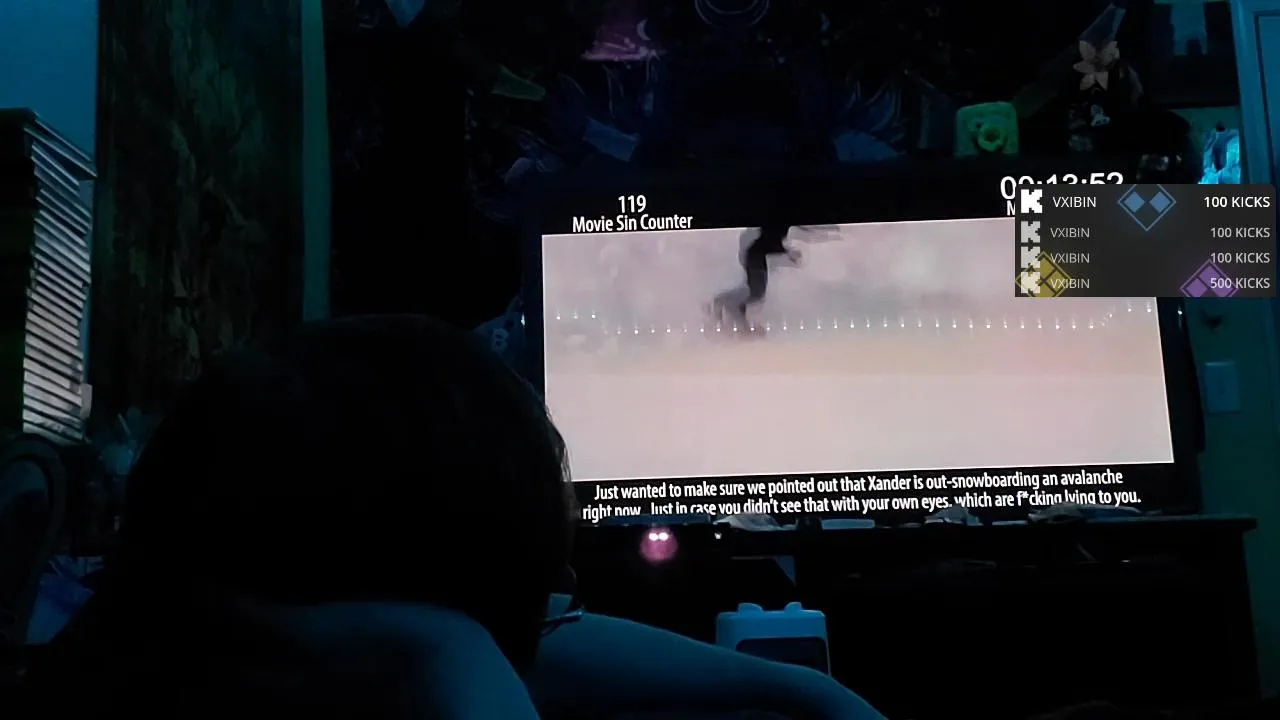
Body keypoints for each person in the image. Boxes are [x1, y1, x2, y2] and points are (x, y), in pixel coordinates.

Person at [17, 315, 883, 719]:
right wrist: (451, 655)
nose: (565, 583)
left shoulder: (162, 650)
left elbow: (544, 640)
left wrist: (802, 691)